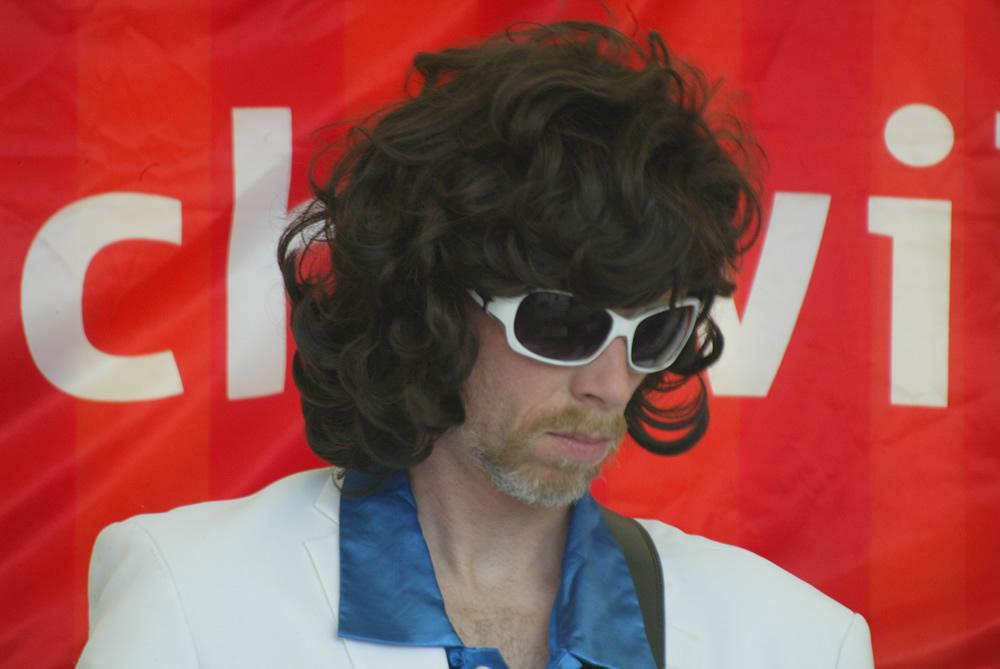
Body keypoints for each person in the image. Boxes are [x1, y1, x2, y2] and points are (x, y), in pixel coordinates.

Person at [78, 21, 874, 669]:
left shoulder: (796, 642)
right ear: (432, 303)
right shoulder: (193, 601)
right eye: (564, 323)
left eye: (653, 332)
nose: (609, 382)